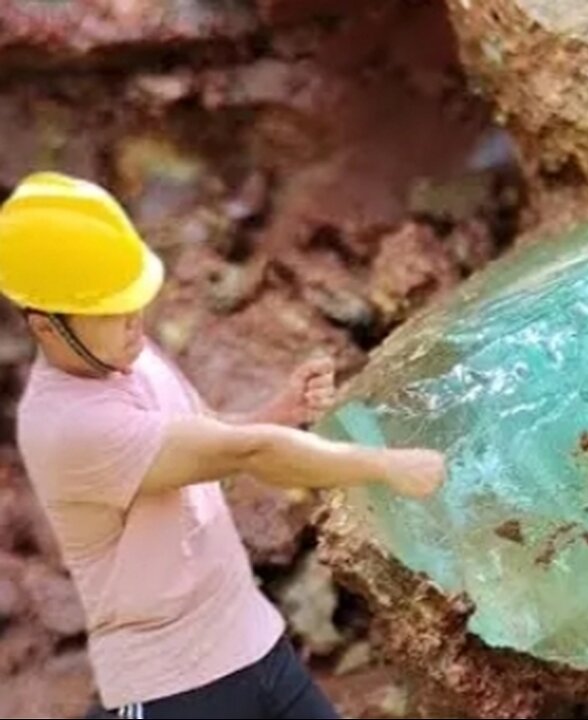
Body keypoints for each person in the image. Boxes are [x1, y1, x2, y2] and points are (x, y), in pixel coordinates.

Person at [0, 172, 448, 719]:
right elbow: (246, 452)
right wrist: (384, 466)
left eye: (134, 300)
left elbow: (209, 439)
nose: (136, 321)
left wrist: (279, 411)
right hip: (172, 688)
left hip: (253, 645)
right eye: (111, 310)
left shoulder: (129, 354)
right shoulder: (67, 425)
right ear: (47, 327)